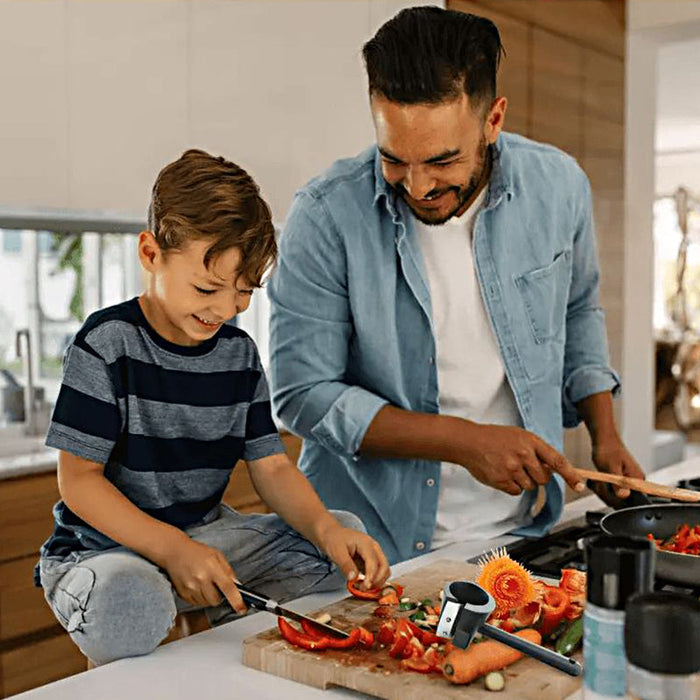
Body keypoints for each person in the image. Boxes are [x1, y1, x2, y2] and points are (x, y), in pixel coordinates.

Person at [268, 7, 644, 565]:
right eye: (394, 159)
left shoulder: (559, 186)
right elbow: (303, 395)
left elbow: (577, 309)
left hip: (521, 534)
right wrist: (465, 441)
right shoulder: (324, 215)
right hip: (364, 544)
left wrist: (604, 432)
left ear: (493, 120)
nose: (418, 186)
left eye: (442, 160)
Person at [35, 149, 390, 665]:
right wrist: (172, 552)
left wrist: (326, 529)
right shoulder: (106, 343)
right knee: (129, 601)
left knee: (340, 542)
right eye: (207, 288)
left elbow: (270, 466)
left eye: (244, 293)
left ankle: (195, 610)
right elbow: (79, 482)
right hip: (102, 551)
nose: (225, 310)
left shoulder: (238, 354)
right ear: (151, 254)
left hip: (205, 538)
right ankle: (177, 607)